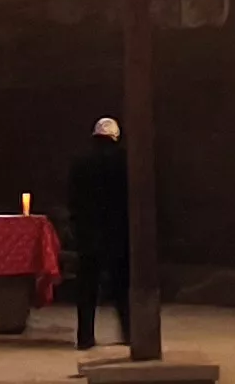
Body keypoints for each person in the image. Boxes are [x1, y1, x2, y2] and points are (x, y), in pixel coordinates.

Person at [66, 114, 128, 351]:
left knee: (87, 287)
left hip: (88, 231)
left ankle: (85, 336)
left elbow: (73, 197)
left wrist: (76, 224)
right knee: (121, 284)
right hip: (117, 231)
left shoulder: (81, 162)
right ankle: (129, 331)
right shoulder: (124, 161)